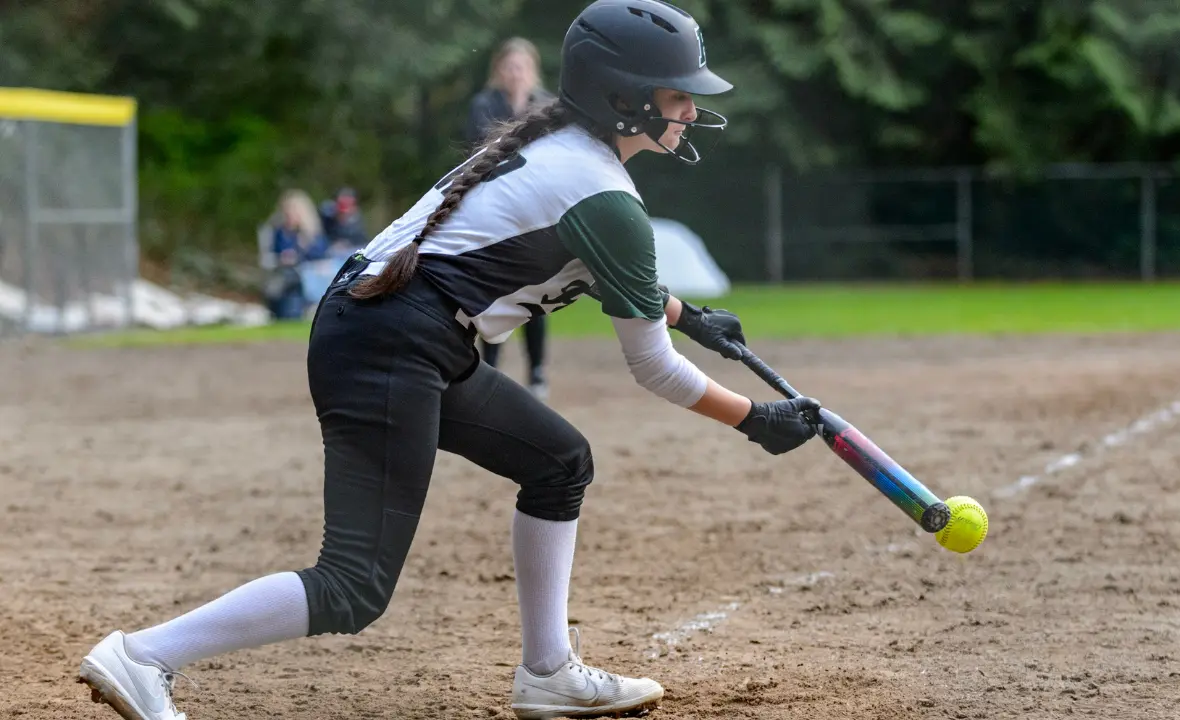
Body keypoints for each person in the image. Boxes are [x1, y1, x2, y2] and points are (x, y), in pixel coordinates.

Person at [75, 2, 823, 719]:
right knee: (354, 585)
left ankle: (548, 673)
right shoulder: (605, 195)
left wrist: (688, 315)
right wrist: (752, 418)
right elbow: (652, 368)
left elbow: (590, 266)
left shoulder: (560, 147)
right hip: (392, 341)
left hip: (397, 332)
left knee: (559, 462)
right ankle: (143, 655)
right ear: (624, 96)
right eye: (677, 94)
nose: (691, 109)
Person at [466, 36, 557, 401]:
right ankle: (489, 367)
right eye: (509, 66)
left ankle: (536, 370)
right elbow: (480, 152)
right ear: (498, 70)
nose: (515, 73)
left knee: (534, 290)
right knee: (492, 291)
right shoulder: (483, 105)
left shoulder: (547, 105)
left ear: (532, 70)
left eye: (521, 66)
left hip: (534, 211)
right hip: (495, 208)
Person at [263, 189, 330, 320]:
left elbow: (321, 256)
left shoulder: (313, 235)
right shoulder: (280, 232)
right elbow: (273, 253)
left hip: (307, 278)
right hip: (284, 275)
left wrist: (302, 247)